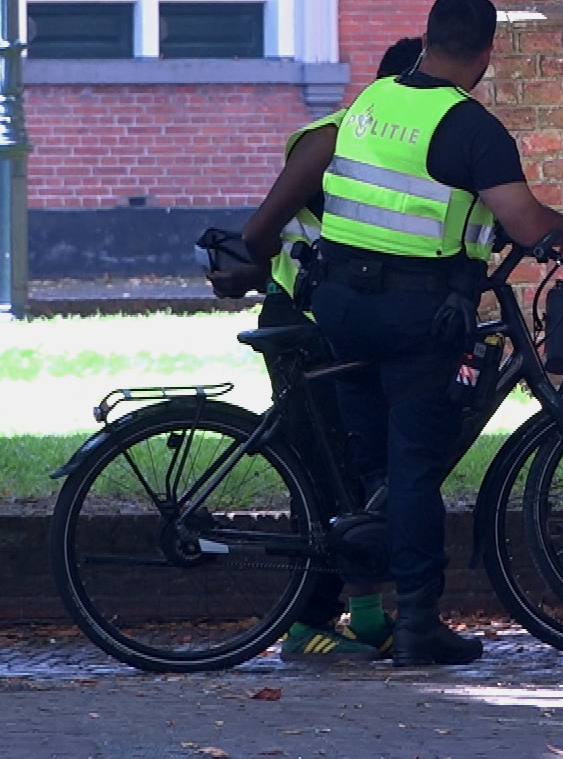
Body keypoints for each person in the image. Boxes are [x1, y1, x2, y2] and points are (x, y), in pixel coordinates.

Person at [311, 0, 563, 667]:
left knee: (373, 462)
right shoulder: (470, 127)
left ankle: (357, 596)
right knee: (415, 468)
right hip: (409, 316)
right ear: (487, 53)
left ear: (425, 37)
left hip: (339, 305)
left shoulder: (373, 100)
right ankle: (416, 623)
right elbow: (528, 225)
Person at [206, 35, 426, 661]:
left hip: (347, 324)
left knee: (357, 463)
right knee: (333, 466)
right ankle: (310, 625)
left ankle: (362, 614)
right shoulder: (332, 136)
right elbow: (265, 230)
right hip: (304, 325)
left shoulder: (395, 148)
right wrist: (264, 270)